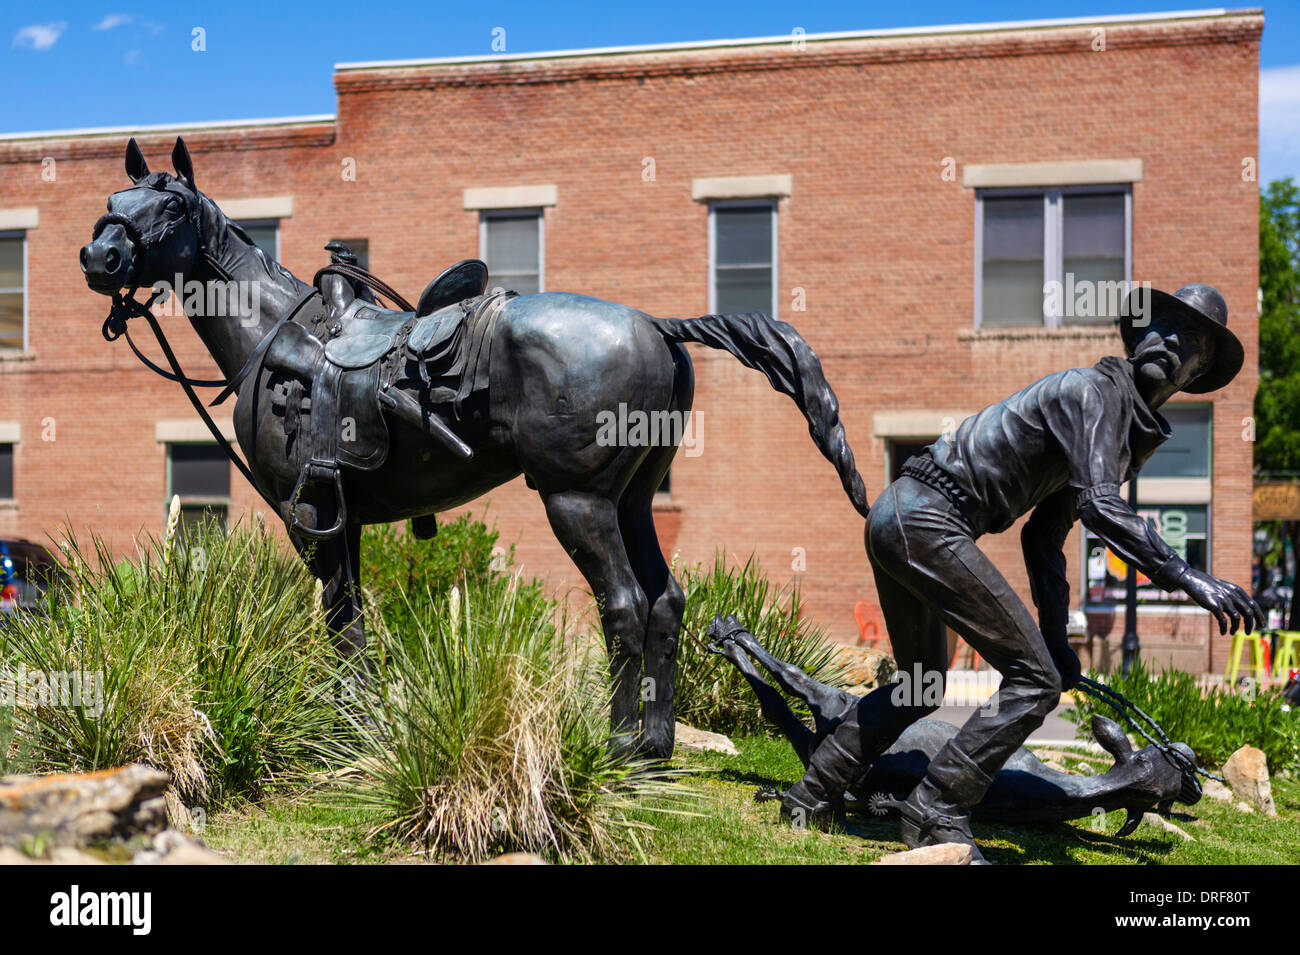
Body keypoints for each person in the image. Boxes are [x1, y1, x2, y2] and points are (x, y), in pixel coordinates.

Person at [779, 283, 1264, 863]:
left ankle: (808, 797)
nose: (1168, 339)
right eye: (1159, 324)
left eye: (1189, 339)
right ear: (1136, 334)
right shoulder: (1093, 393)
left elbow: (1045, 536)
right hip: (927, 517)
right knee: (1032, 682)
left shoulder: (1121, 424)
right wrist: (1192, 578)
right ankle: (936, 808)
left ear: (1198, 369)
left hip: (905, 516)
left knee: (923, 685)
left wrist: (1057, 641)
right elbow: (1101, 508)